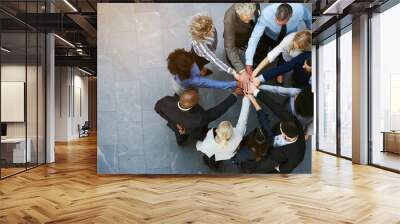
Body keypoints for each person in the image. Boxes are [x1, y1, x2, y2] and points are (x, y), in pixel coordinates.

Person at [248, 82, 306, 173]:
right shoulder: (290, 119)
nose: (279, 125)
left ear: (284, 135)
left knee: (261, 169)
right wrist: (255, 91)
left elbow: (288, 168)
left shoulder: (297, 154)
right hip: (270, 141)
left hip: (274, 158)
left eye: (281, 128)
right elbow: (274, 106)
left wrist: (278, 168)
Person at [154, 88, 241, 146]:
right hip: (195, 131)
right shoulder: (199, 118)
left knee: (179, 136)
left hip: (177, 127)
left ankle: (181, 142)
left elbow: (157, 109)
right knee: (200, 134)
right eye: (197, 99)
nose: (199, 98)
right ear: (192, 105)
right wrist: (234, 94)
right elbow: (218, 110)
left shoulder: (165, 101)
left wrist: (174, 123)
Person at [245, 3, 312, 75]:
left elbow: (309, 21)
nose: (278, 25)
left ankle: (280, 72)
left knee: (284, 55)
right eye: (277, 21)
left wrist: (310, 35)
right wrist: (249, 61)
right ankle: (256, 65)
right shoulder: (266, 14)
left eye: (281, 24)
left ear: (290, 16)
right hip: (268, 36)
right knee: (261, 51)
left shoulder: (300, 10)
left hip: (289, 37)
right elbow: (254, 37)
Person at [196, 97, 250, 170]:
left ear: (217, 130)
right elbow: (243, 118)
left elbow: (203, 147)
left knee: (210, 161)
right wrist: (247, 98)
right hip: (225, 155)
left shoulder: (209, 137)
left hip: (211, 154)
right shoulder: (238, 135)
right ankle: (216, 165)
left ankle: (213, 166)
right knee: (219, 159)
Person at [189, 14, 247, 83]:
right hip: (200, 56)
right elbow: (215, 60)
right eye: (209, 30)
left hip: (209, 48)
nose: (213, 29)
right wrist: (233, 72)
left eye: (211, 26)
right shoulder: (201, 46)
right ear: (203, 34)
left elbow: (213, 37)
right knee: (199, 64)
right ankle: (200, 70)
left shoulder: (209, 27)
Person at [232, 95, 273, 173]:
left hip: (246, 165)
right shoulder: (268, 138)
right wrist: (253, 100)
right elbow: (263, 119)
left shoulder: (245, 152)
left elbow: (236, 158)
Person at [167, 49, 238, 94]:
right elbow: (215, 84)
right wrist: (237, 83)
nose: (194, 64)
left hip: (180, 79)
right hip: (184, 89)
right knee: (193, 94)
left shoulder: (178, 63)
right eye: (192, 65)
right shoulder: (193, 80)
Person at [223, 3, 262, 77]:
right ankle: (232, 61)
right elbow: (230, 47)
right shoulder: (229, 18)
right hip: (236, 35)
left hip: (248, 31)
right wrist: (241, 70)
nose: (250, 18)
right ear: (238, 11)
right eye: (246, 17)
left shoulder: (254, 5)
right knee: (231, 50)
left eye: (251, 16)